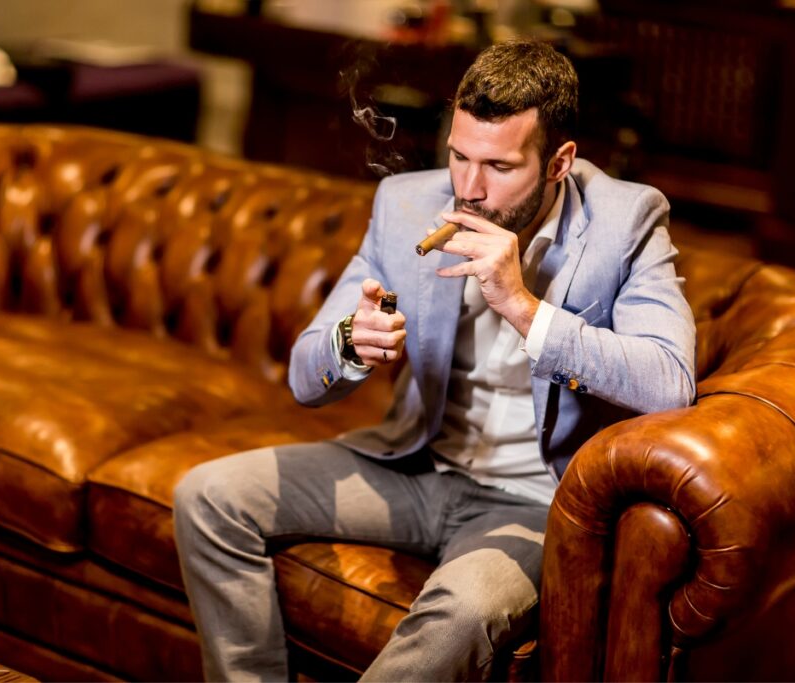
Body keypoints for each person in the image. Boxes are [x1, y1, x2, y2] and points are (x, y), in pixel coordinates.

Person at [173, 39, 696, 681]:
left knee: (463, 609)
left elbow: (670, 383)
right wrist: (351, 342)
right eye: (459, 156)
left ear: (560, 162)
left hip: (532, 500)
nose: (469, 190)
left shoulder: (626, 220)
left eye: (499, 167)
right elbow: (306, 374)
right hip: (415, 468)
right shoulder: (405, 204)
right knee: (208, 496)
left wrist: (524, 307)